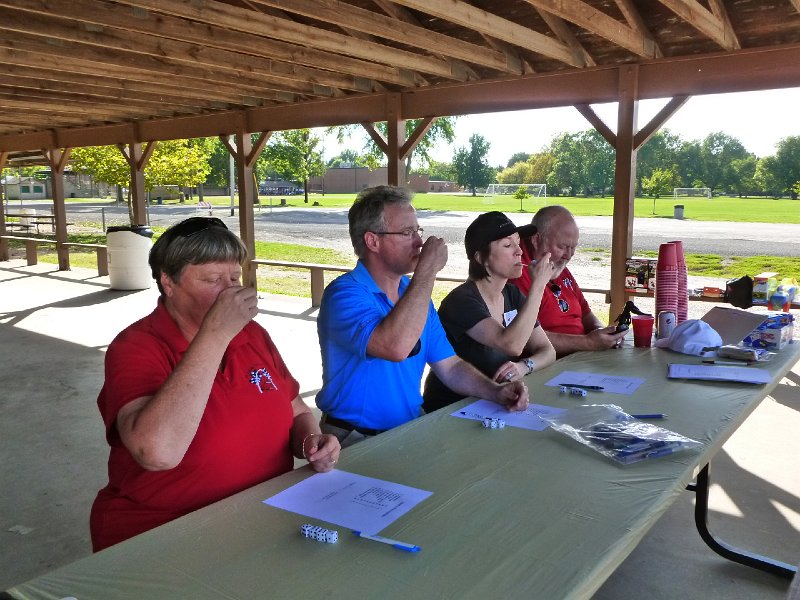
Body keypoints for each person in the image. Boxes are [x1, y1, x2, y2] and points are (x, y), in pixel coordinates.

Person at [90, 217, 340, 552]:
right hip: (165, 533)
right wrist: (216, 333)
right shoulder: (137, 346)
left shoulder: (253, 335)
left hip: (259, 517)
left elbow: (296, 410)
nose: (230, 290)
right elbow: (157, 453)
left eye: (234, 278)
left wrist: (311, 441)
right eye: (212, 279)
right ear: (168, 282)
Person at [316, 186, 529, 447]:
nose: (419, 242)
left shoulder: (412, 292)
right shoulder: (344, 294)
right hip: (353, 438)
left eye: (418, 231)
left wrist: (495, 391)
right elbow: (395, 347)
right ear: (373, 241)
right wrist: (427, 270)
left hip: (405, 429)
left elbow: (450, 366)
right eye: (407, 232)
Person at [423, 212, 557, 412]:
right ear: (481, 258)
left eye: (518, 243)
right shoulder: (461, 301)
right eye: (508, 245)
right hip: (452, 408)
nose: (519, 251)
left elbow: (548, 351)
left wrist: (523, 366)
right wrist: (538, 286)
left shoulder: (512, 294)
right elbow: (511, 345)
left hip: (494, 403)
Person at [510, 205, 626, 356]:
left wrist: (603, 332)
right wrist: (587, 343)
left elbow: (586, 314)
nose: (569, 255)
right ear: (537, 240)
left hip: (581, 355)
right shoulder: (516, 273)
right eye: (563, 246)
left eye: (573, 247)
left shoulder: (556, 265)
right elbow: (524, 338)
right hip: (550, 361)